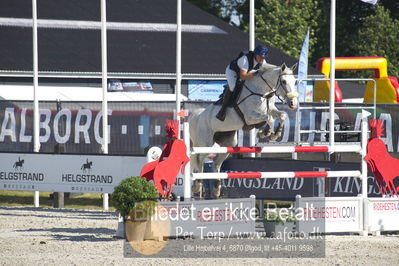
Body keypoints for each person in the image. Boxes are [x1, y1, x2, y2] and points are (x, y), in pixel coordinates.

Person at [216, 45, 269, 121]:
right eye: (260, 56)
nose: (261, 59)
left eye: (263, 57)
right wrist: (255, 74)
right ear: (255, 54)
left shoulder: (262, 61)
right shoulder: (245, 59)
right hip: (233, 71)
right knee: (233, 87)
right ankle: (222, 110)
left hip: (247, 72)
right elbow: (243, 76)